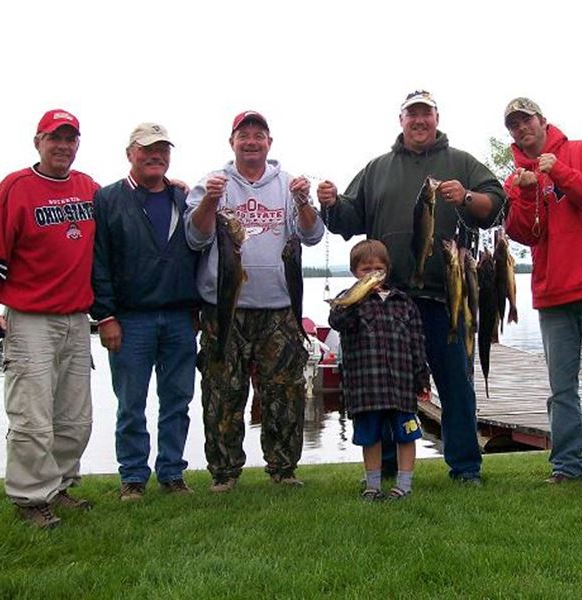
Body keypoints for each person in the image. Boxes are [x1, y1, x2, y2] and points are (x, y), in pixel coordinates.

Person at [317, 90, 506, 485]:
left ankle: (465, 466)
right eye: (411, 115)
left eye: (426, 114)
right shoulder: (377, 168)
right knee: (388, 387)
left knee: (456, 384)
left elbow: (495, 202)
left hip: (447, 298)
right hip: (388, 302)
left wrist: (467, 196)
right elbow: (347, 219)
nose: (419, 121)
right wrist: (333, 203)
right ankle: (386, 463)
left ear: (437, 117)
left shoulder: (461, 163)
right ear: (400, 120)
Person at [0, 109, 97, 528]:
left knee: (74, 417)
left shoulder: (88, 188)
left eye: (70, 139)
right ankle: (28, 498)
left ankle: (57, 488)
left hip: (77, 319)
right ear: (38, 141)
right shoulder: (16, 187)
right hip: (31, 320)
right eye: (54, 138)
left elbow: (121, 214)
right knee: (31, 415)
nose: (62, 146)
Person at [185, 110, 324, 490]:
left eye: (258, 135)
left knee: (284, 391)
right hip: (223, 308)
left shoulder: (287, 184)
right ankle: (224, 473)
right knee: (222, 391)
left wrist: (305, 202)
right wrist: (209, 204)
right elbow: (195, 239)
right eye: (243, 135)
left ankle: (282, 469)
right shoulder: (212, 183)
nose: (251, 141)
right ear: (232, 142)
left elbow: (311, 236)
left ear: (269, 143)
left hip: (279, 309)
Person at [503, 97, 582, 484]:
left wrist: (563, 174)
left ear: (543, 121)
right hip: (553, 298)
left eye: (527, 121)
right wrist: (525, 192)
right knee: (561, 389)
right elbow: (525, 234)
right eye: (514, 125)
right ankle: (568, 467)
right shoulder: (516, 177)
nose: (522, 129)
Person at [91, 123, 200, 501]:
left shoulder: (184, 198)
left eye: (162, 150)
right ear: (130, 154)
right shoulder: (106, 199)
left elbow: (202, 252)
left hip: (179, 318)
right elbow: (98, 261)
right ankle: (133, 477)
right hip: (129, 319)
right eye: (146, 149)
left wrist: (199, 309)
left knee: (177, 401)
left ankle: (172, 473)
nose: (155, 156)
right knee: (131, 404)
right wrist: (105, 316)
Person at [329, 240, 430, 500]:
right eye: (366, 269)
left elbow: (417, 341)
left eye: (378, 269)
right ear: (355, 272)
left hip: (401, 385)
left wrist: (422, 376)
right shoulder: (347, 301)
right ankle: (372, 484)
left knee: (406, 435)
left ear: (387, 270)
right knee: (369, 437)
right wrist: (354, 298)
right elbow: (337, 322)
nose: (373, 274)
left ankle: (404, 484)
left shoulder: (404, 302)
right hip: (366, 387)